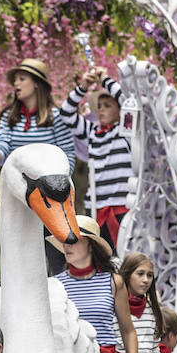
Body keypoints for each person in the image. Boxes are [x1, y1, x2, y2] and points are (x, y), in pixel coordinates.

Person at [52, 215, 141, 353]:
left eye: (74, 240)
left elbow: (128, 331)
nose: (67, 245)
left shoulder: (113, 281)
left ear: (91, 245)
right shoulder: (55, 284)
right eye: (65, 240)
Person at [59, 66, 131, 248]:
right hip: (96, 206)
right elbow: (66, 113)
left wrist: (105, 79)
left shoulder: (127, 130)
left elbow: (129, 102)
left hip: (123, 204)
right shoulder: (93, 132)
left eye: (107, 106)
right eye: (99, 107)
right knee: (101, 257)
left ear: (119, 109)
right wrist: (83, 86)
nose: (101, 110)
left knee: (125, 255)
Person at [0, 58, 76, 171]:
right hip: (18, 183)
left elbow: (67, 152)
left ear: (36, 83)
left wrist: (59, 183)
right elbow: (2, 145)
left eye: (22, 79)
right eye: (15, 80)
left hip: (49, 183)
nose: (16, 83)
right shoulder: (9, 116)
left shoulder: (56, 116)